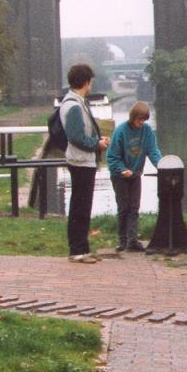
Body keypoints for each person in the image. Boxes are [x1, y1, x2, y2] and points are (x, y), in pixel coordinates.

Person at [61, 64, 110, 263]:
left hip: (83, 161)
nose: (92, 85)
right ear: (86, 82)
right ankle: (77, 251)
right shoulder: (73, 105)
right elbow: (76, 137)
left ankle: (83, 248)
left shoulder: (77, 102)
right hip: (81, 161)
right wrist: (97, 144)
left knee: (82, 206)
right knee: (80, 207)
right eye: (91, 81)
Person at [107, 101, 162, 252]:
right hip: (119, 176)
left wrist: (161, 165)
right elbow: (111, 157)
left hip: (135, 174)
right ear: (133, 117)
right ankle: (122, 240)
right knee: (123, 208)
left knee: (134, 208)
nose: (141, 122)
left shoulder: (147, 131)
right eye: (139, 119)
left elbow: (153, 151)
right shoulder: (120, 131)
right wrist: (122, 169)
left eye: (144, 120)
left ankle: (133, 241)